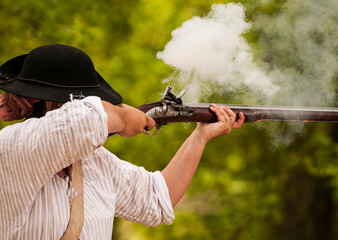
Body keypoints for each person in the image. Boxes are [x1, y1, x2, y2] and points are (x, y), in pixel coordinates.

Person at [0, 44, 245, 239]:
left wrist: (200, 135)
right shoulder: (14, 144)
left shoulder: (95, 162)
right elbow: (83, 120)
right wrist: (126, 116)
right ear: (49, 104)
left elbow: (158, 199)